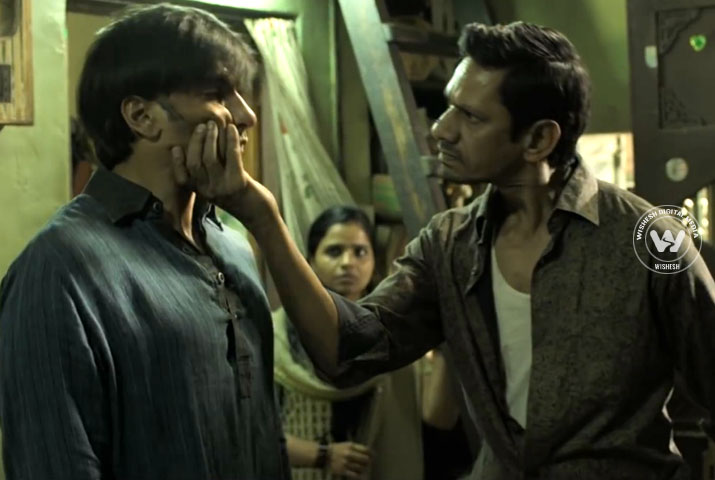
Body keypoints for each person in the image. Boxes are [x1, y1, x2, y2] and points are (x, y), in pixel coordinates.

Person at [169, 21, 715, 480]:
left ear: (538, 140)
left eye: (471, 117)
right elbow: (346, 353)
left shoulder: (647, 239)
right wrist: (263, 216)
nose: (440, 130)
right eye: (449, 107)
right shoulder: (451, 244)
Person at [0, 4, 288, 480]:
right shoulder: (59, 269)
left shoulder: (233, 244)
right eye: (217, 94)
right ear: (142, 116)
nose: (246, 116)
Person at [274, 205, 423, 480]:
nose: (348, 262)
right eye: (334, 251)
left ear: (374, 261)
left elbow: (426, 418)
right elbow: (252, 431)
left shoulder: (391, 336)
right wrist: (322, 454)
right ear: (309, 261)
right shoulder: (277, 336)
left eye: (360, 252)